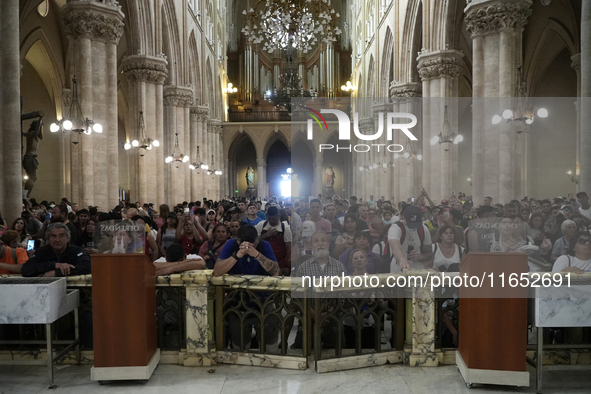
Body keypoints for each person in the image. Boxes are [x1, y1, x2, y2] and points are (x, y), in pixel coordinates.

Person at [21, 223, 91, 277]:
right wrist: (55, 265)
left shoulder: (77, 251)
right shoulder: (41, 251)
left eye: (61, 236)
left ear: (68, 238)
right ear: (48, 239)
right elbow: (26, 270)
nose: (57, 240)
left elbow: (87, 267)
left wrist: (56, 273)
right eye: (53, 236)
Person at [214, 225, 279, 276]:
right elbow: (217, 271)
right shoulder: (231, 243)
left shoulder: (264, 245)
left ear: (257, 240)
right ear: (238, 242)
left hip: (260, 289)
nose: (248, 249)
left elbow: (276, 272)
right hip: (236, 289)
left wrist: (257, 255)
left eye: (252, 245)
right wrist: (236, 256)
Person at [387, 205, 433, 272]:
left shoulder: (423, 229)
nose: (413, 227)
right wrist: (402, 259)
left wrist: (420, 257)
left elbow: (429, 254)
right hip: (399, 266)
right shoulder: (396, 228)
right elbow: (395, 245)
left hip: (417, 267)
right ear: (404, 218)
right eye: (410, 224)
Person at [255, 206, 292, 276]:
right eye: (269, 218)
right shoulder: (261, 225)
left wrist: (287, 265)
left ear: (278, 216)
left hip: (280, 262)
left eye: (274, 219)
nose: (271, 221)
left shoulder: (285, 228)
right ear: (267, 216)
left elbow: (288, 248)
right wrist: (266, 235)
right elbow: (253, 242)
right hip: (262, 262)